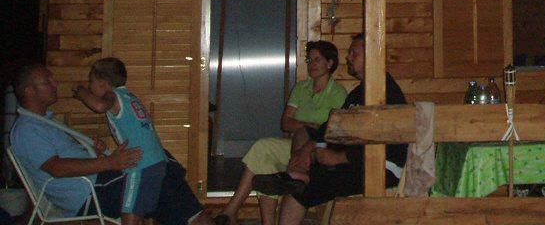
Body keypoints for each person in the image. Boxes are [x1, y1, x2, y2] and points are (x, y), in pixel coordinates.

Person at [9, 63, 212, 225]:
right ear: (29, 91)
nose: (55, 83)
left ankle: (195, 219)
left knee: (160, 176)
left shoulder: (45, 122)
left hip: (98, 180)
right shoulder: (28, 129)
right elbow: (57, 168)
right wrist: (110, 162)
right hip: (88, 193)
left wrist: (95, 154)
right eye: (47, 81)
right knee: (157, 170)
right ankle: (198, 218)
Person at [252, 34, 407, 225]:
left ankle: (299, 177)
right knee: (304, 168)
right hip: (356, 160)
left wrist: (339, 157)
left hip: (381, 167)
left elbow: (378, 140)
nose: (348, 57)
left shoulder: (384, 92)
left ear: (371, 56)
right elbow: (333, 124)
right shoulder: (358, 92)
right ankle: (298, 174)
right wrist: (308, 148)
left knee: (306, 186)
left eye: (353, 53)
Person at [214, 40, 347, 225]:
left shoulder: (339, 93)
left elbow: (332, 128)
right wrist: (309, 126)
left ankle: (231, 211)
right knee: (263, 153)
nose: (312, 64)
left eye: (317, 60)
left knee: (268, 154)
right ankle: (237, 212)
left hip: (317, 149)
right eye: (309, 60)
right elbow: (286, 123)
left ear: (330, 63)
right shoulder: (301, 89)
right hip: (294, 145)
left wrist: (307, 128)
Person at [71, 57, 168, 225]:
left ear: (103, 84)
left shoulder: (113, 95)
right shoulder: (128, 96)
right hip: (156, 161)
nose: (89, 86)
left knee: (129, 215)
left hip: (140, 164)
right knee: (139, 215)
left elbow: (99, 106)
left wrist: (81, 91)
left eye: (91, 82)